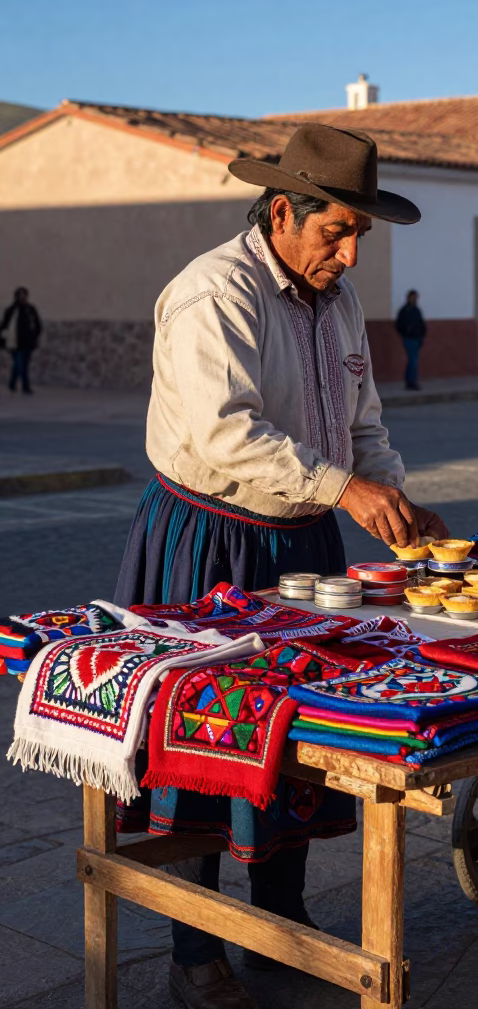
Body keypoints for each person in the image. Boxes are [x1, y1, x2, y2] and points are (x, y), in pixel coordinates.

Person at [114, 123, 448, 1009]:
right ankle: (195, 946)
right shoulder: (212, 296)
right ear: (279, 212)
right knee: (203, 744)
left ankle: (280, 925)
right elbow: (227, 432)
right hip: (210, 539)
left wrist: (393, 500)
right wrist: (345, 488)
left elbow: (363, 421)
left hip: (306, 538)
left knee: (297, 734)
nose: (346, 253)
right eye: (334, 230)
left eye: (357, 237)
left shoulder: (334, 304)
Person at [1, 287, 41, 393]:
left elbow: (37, 324)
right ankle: (25, 386)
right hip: (14, 343)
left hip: (28, 342)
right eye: (20, 295)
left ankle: (12, 382)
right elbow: (4, 325)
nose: (22, 297)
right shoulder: (11, 310)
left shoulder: (30, 309)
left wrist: (34, 336)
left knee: (22, 365)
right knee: (20, 364)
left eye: (24, 295)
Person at [395, 288, 426, 390]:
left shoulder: (416, 310)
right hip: (409, 339)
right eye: (413, 297)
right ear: (409, 298)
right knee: (413, 361)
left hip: (417, 338)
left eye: (416, 297)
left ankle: (409, 381)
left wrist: (422, 334)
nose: (415, 299)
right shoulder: (405, 311)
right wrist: (406, 332)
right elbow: (399, 325)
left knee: (412, 361)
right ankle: (412, 382)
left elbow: (421, 324)